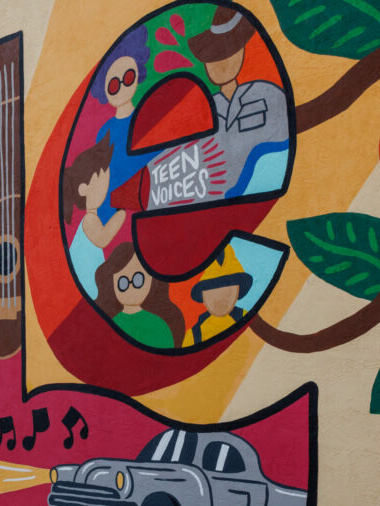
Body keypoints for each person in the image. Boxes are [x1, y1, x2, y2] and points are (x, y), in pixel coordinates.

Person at [187, 6, 290, 199]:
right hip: (218, 200)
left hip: (264, 194)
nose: (219, 64)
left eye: (226, 54)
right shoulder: (205, 110)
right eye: (211, 59)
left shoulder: (266, 93)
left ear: (241, 52)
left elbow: (285, 140)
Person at [91, 26, 157, 224]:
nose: (122, 87)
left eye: (128, 77)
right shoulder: (105, 132)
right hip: (113, 214)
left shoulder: (149, 117)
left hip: (149, 206)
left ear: (138, 74)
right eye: (113, 85)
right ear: (105, 91)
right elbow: (103, 177)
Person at [62, 136, 126, 298]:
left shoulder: (91, 218)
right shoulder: (89, 220)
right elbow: (103, 238)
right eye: (102, 181)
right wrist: (121, 215)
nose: (105, 187)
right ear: (83, 189)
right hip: (88, 288)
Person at [94, 244, 176, 348]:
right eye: (122, 282)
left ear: (151, 280)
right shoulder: (112, 325)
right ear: (112, 283)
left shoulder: (159, 326)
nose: (130, 286)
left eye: (138, 279)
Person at [184, 244, 253, 345]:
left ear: (237, 292)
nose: (220, 299)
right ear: (203, 296)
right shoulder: (195, 333)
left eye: (227, 293)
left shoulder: (248, 319)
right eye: (213, 293)